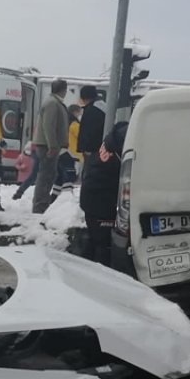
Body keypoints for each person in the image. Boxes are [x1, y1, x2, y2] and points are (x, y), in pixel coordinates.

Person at [80, 122, 128, 268]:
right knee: (103, 244)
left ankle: (83, 268)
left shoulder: (110, 142)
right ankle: (100, 276)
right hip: (101, 201)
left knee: (95, 239)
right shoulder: (118, 151)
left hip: (91, 198)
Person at [32, 79, 70, 214]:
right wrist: (52, 145)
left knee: (49, 174)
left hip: (47, 144)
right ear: (63, 90)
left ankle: (42, 203)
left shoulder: (53, 102)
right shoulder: (53, 104)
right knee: (46, 175)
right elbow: (49, 125)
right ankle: (40, 205)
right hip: (47, 145)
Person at [49, 105, 82, 203]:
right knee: (70, 176)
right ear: (75, 112)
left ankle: (53, 199)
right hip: (71, 154)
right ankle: (68, 201)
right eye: (79, 112)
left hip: (61, 152)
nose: (80, 114)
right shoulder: (74, 124)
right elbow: (81, 135)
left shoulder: (62, 122)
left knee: (59, 178)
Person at [76, 85, 105, 178]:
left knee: (89, 175)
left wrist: (86, 148)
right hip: (101, 148)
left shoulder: (92, 109)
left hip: (93, 150)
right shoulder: (102, 106)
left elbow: (89, 130)